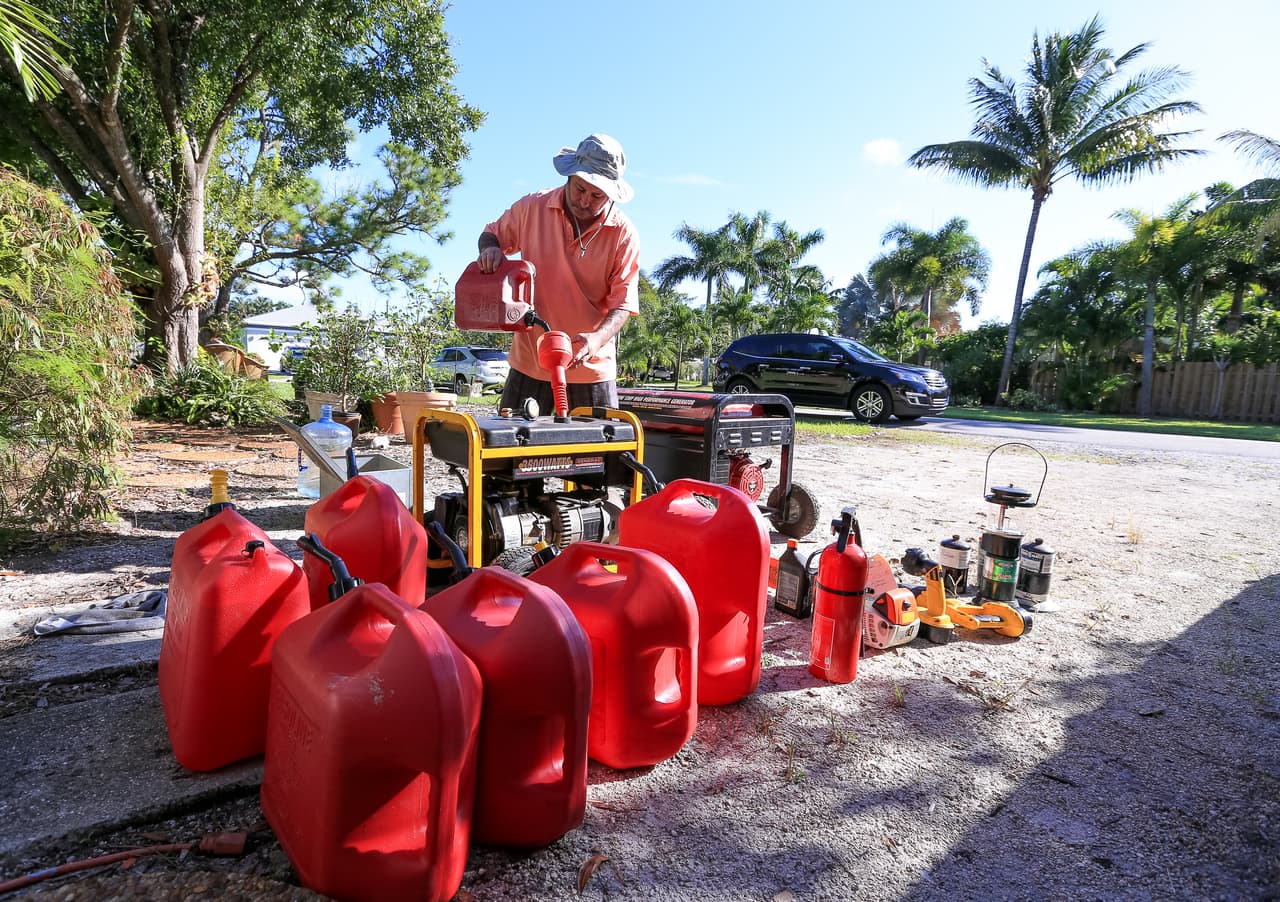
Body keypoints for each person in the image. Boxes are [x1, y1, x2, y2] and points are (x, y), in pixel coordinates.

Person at [477, 133, 640, 412]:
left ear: (611, 194)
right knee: (508, 449)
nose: (585, 201)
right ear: (569, 177)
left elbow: (622, 303)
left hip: (589, 364)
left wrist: (596, 339)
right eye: (580, 189)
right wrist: (490, 250)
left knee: (601, 452)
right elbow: (491, 233)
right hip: (531, 358)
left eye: (597, 195)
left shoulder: (624, 235)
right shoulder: (532, 207)